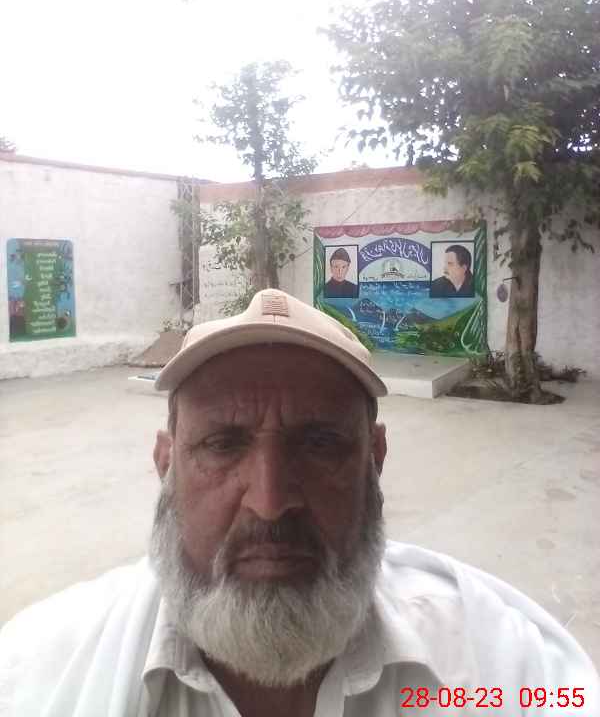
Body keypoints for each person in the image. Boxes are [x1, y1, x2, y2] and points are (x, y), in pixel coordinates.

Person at [0, 289, 598, 717]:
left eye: (319, 444)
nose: (269, 503)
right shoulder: (39, 672)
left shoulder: (496, 666)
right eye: (223, 444)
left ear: (374, 459)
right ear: (166, 464)